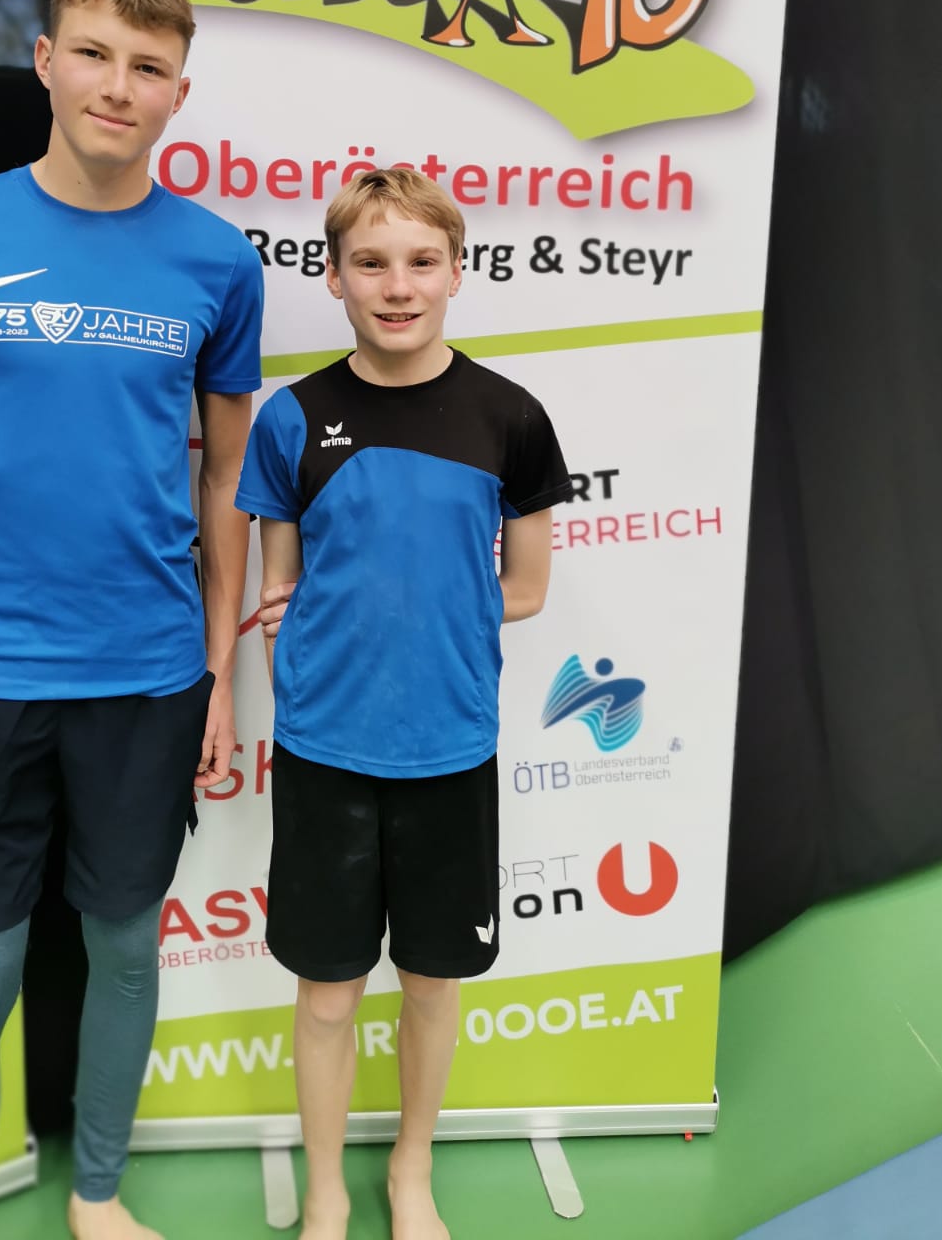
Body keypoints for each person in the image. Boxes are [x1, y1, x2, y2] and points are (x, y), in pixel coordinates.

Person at [0, 0, 264, 1240]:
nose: (117, 86)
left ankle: (96, 1195)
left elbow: (226, 484)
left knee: (126, 951)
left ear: (179, 91)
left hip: (147, 682)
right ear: (44, 59)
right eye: (93, 54)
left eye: (149, 66)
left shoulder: (217, 261)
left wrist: (215, 676)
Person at [236, 167, 573, 1240]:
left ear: (457, 272)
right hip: (326, 753)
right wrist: (325, 645)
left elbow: (525, 587)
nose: (397, 285)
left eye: (422, 261)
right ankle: (326, 1189)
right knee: (328, 994)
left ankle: (410, 1170)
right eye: (371, 262)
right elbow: (279, 588)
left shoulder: (510, 417)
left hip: (450, 749)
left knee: (432, 982)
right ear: (333, 276)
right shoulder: (293, 419)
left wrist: (431, 619)